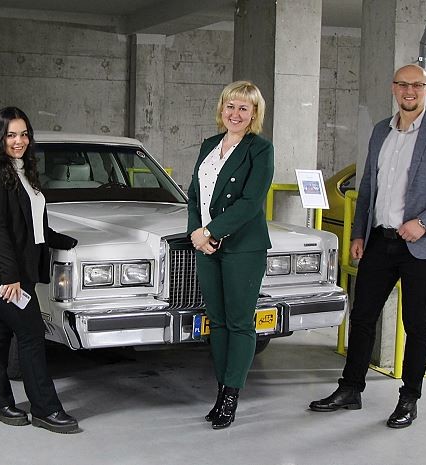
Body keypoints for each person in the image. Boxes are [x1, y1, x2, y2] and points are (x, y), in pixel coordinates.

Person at [308, 64, 426, 428]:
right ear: (393, 88)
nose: (409, 90)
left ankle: (409, 398)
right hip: (379, 241)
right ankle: (350, 389)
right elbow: (368, 185)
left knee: (416, 324)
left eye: (417, 85)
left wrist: (424, 222)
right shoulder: (381, 130)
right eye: (402, 84)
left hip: (422, 245)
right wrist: (358, 233)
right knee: (362, 317)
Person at [0, 106, 80, 434]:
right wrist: (10, 277)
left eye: (24, 134)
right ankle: (46, 409)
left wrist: (57, 239)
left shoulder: (24, 170)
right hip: (1, 275)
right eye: (11, 135)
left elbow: (30, 221)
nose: (19, 141)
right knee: (31, 333)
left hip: (20, 272)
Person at [187, 81, 274, 429]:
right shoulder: (209, 145)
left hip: (242, 248)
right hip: (206, 246)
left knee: (239, 323)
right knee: (218, 321)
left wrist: (210, 231)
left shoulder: (260, 149)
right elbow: (194, 196)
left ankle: (231, 396)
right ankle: (221, 388)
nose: (235, 114)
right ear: (221, 109)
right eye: (230, 106)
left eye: (243, 108)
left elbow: (251, 203)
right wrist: (197, 234)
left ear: (254, 113)